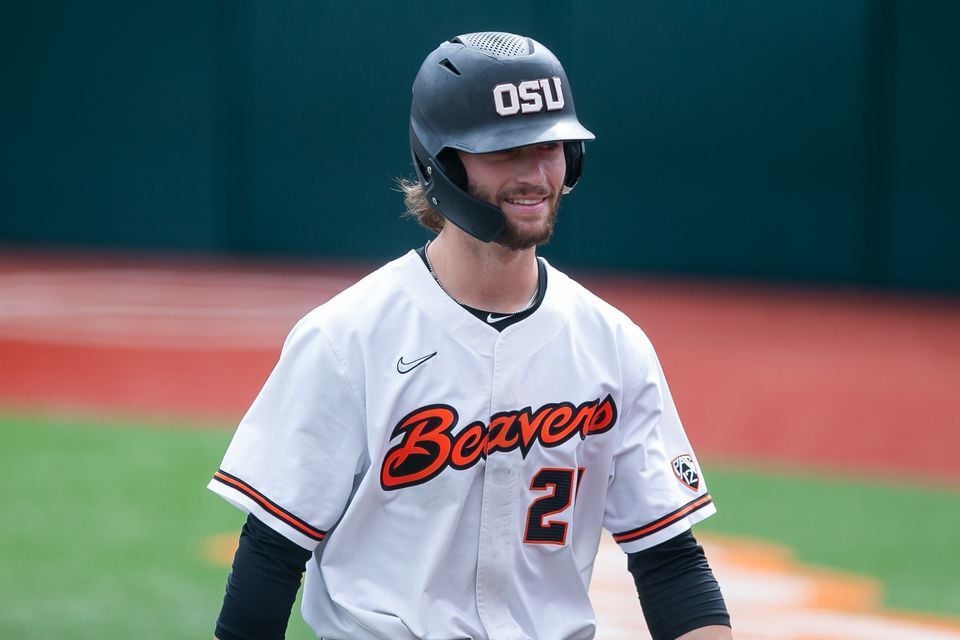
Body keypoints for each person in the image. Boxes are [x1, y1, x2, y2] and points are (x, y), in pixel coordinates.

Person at [210, 31, 733, 640]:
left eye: (552, 147)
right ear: (442, 165)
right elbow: (270, 560)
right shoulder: (346, 339)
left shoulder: (613, 345)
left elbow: (669, 561)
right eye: (506, 151)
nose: (537, 174)